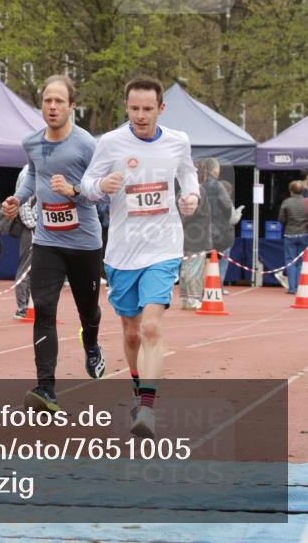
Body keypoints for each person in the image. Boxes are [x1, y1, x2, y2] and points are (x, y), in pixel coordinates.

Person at [81, 75, 199, 439]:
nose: (141, 115)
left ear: (161, 109)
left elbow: (188, 174)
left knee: (151, 327)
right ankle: (137, 388)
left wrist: (190, 197)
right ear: (126, 107)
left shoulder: (178, 142)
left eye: (148, 109)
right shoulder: (111, 143)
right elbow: (87, 185)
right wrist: (101, 186)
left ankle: (147, 406)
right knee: (131, 332)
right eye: (134, 108)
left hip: (162, 246)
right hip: (122, 251)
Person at [2, 75, 104, 414]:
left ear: (72, 106)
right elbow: (34, 173)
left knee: (88, 311)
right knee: (43, 310)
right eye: (47, 100)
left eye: (60, 101)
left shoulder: (87, 144)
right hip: (47, 241)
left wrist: (74, 191)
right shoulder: (32, 142)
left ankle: (90, 340)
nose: (53, 106)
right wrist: (18, 198)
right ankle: (45, 388)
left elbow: (100, 188)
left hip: (85, 243)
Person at [0, 163, 36, 319]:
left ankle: (30, 305)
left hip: (39, 226)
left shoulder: (37, 168)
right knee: (26, 267)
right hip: (33, 228)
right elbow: (23, 203)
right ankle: (23, 307)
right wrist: (33, 225)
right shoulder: (28, 171)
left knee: (35, 268)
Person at [178, 162, 213, 309]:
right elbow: (194, 214)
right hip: (197, 237)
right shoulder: (199, 192)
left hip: (184, 236)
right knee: (194, 270)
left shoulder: (181, 192)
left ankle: (186, 298)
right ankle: (192, 299)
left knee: (186, 269)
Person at [201, 158, 235, 290]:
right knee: (221, 261)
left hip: (202, 229)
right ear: (215, 170)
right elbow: (227, 206)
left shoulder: (200, 186)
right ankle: (216, 288)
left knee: (203, 261)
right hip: (220, 230)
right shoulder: (218, 186)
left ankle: (202, 290)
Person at [278, 180, 308, 295]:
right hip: (304, 235)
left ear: (290, 191)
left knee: (290, 261)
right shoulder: (306, 202)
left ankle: (291, 288)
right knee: (302, 262)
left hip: (290, 234)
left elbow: (281, 219)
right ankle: (301, 287)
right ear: (303, 191)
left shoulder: (286, 202)